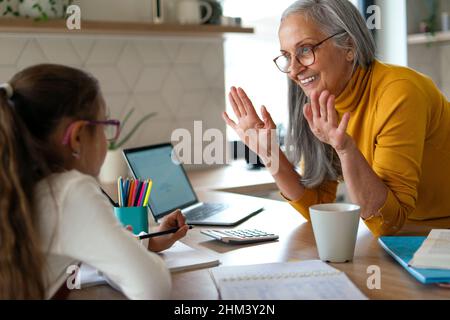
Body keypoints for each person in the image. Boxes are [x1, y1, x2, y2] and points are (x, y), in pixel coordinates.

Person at [222, 0, 450, 237]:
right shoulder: (323, 100)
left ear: (349, 46)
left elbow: (388, 222)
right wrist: (270, 154)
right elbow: (318, 207)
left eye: (305, 50)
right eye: (287, 56)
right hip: (407, 235)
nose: (293, 69)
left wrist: (345, 149)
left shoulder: (399, 91)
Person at [0, 64, 189, 300]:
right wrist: (127, 251)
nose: (106, 137)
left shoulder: (16, 186)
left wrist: (138, 244)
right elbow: (153, 288)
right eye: (105, 126)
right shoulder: (69, 192)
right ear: (78, 136)